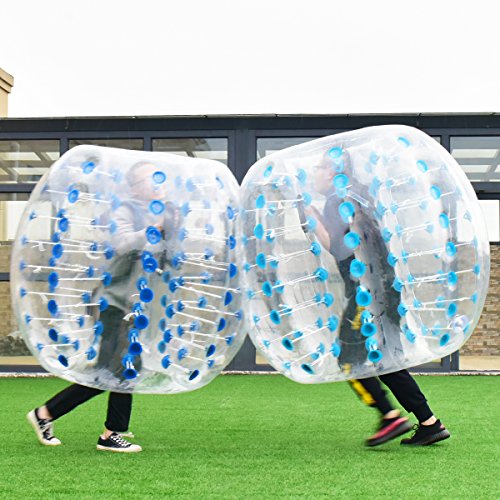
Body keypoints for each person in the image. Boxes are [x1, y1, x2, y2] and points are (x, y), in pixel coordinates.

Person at [27, 160, 177, 453]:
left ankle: (52, 416)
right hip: (116, 305)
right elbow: (121, 244)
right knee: (116, 370)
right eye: (150, 179)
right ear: (136, 187)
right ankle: (103, 433)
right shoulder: (124, 211)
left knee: (118, 369)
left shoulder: (154, 213)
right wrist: (152, 229)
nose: (157, 185)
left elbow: (160, 256)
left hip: (133, 305)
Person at [309, 149, 451, 447]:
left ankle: (390, 415)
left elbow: (339, 248)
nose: (314, 172)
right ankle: (429, 422)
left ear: (335, 172)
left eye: (320, 167)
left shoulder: (337, 201)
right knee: (384, 358)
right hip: (384, 287)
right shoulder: (356, 197)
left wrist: (308, 213)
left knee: (348, 358)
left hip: (366, 291)